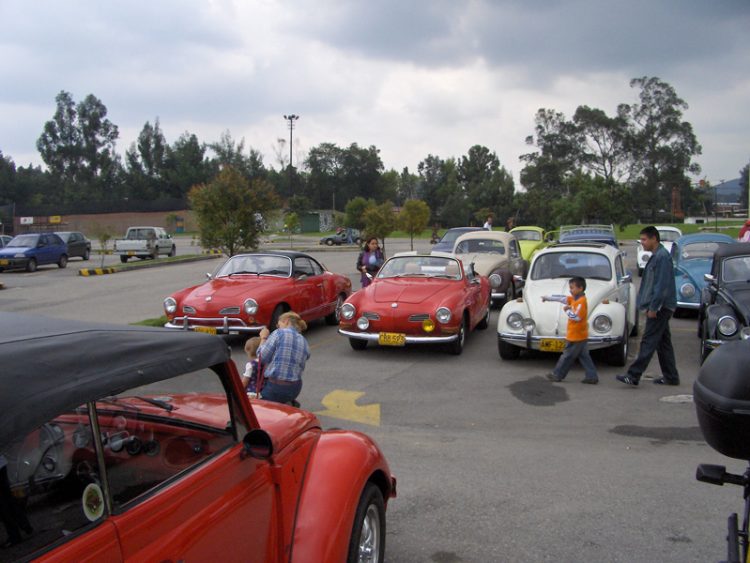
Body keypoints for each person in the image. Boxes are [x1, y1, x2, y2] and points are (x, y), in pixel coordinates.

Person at [616, 226, 679, 387]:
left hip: (660, 308)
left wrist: (654, 308)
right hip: (659, 306)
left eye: (644, 239)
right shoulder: (657, 256)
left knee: (648, 341)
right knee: (663, 344)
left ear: (654, 239)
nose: (642, 243)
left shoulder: (662, 257)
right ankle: (671, 376)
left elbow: (661, 286)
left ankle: (633, 375)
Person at [542, 277, 599, 384]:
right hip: (580, 335)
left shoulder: (581, 302)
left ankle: (557, 374)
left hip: (576, 336)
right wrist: (548, 298)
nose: (570, 290)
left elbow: (576, 317)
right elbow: (562, 298)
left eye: (572, 288)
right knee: (584, 356)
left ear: (580, 288)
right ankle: (592, 376)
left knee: (567, 356)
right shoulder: (575, 299)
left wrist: (567, 311)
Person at [258, 312, 310, 405]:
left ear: (286, 321)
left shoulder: (279, 333)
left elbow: (262, 357)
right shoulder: (304, 341)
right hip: (295, 388)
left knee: (259, 405)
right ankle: (289, 402)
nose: (278, 327)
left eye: (278, 325)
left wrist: (263, 338)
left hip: (276, 387)